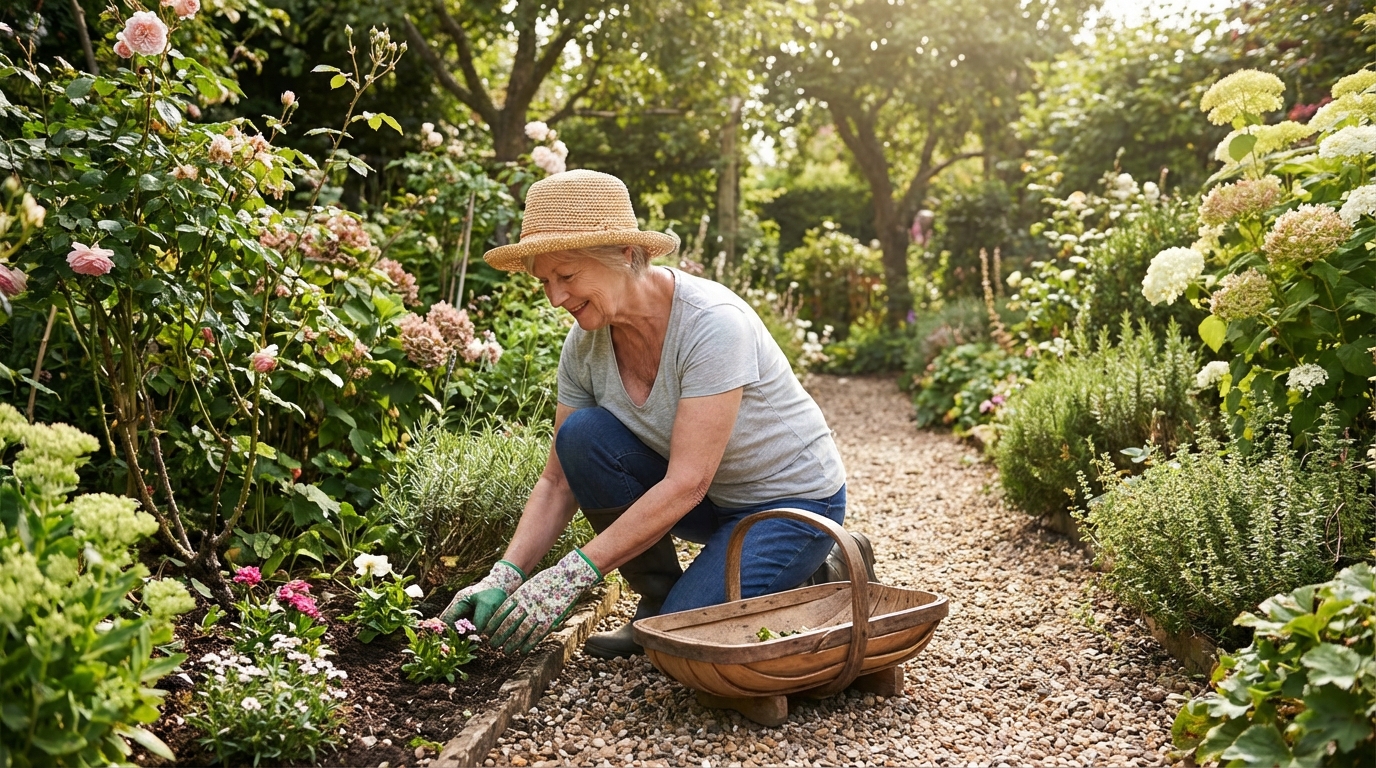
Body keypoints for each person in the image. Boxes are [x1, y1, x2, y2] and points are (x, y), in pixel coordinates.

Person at [438, 169, 868, 658]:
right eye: (544, 282)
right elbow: (557, 481)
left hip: (789, 501)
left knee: (681, 645)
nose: (555, 298)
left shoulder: (712, 324)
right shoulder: (584, 345)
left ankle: (824, 564)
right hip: (711, 504)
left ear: (626, 253)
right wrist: (505, 575)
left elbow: (687, 482)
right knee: (581, 436)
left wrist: (568, 577)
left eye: (567, 276)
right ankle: (657, 601)